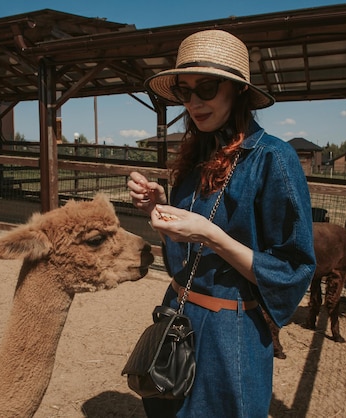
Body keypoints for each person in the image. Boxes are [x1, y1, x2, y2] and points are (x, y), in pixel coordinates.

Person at [127, 29, 316, 417]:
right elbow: (184, 253)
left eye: (207, 88)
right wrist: (159, 209)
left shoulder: (273, 159)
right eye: (185, 91)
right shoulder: (195, 156)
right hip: (176, 313)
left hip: (230, 331)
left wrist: (212, 235)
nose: (194, 102)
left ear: (238, 91)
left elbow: (294, 268)